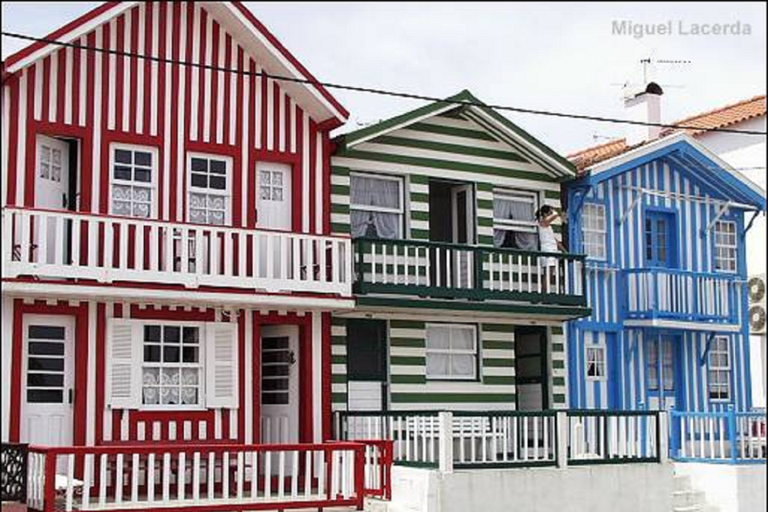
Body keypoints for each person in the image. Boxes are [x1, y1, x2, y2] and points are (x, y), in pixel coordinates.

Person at [535, 205, 567, 293]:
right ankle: (543, 294)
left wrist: (565, 251)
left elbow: (555, 241)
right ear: (545, 214)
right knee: (548, 274)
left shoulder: (547, 226)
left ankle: (545, 293)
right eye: (549, 213)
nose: (550, 214)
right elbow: (555, 214)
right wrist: (555, 211)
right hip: (548, 250)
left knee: (550, 274)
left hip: (551, 250)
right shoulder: (543, 222)